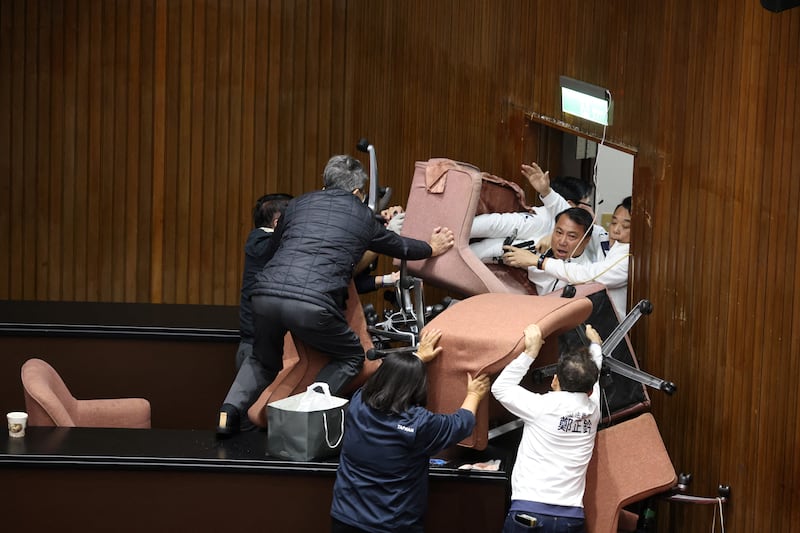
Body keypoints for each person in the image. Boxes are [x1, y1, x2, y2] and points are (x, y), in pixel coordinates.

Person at [217, 155, 456, 435]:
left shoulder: (298, 205)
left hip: (265, 297)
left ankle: (227, 412)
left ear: (325, 184)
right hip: (311, 305)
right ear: (358, 193)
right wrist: (431, 247)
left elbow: (272, 253)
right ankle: (303, 413)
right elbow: (399, 246)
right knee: (352, 357)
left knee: (261, 359)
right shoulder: (361, 215)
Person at [330, 328, 491, 533]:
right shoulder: (418, 424)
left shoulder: (358, 403)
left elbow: (387, 380)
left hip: (345, 518)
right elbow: (460, 424)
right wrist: (474, 394)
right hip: (391, 525)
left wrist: (416, 359)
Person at [492, 323, 603, 533]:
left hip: (528, 511)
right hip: (571, 519)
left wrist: (530, 352)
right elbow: (593, 382)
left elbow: (500, 388)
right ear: (589, 389)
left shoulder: (541, 407)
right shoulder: (593, 411)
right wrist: (596, 346)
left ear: (555, 380)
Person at [505, 197, 632, 318]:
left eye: (626, 226)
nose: (615, 230)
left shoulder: (627, 258)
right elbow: (570, 216)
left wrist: (539, 262)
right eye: (613, 222)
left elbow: (588, 275)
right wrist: (547, 192)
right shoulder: (536, 251)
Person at [236, 193, 293, 372]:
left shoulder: (261, 241)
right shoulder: (260, 242)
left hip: (256, 345)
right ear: (278, 223)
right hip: (256, 350)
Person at [501, 207, 596, 296]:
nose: (562, 242)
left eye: (571, 236)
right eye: (559, 232)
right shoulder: (540, 248)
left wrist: (537, 261)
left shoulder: (585, 275)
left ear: (586, 240)